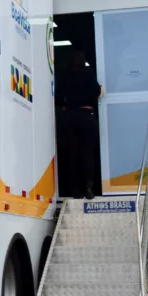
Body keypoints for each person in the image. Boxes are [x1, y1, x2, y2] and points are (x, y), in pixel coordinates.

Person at [57, 49, 104, 199]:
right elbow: (97, 92)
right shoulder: (88, 74)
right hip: (86, 116)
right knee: (87, 153)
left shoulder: (66, 76)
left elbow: (57, 97)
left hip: (69, 117)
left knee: (72, 154)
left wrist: (67, 103)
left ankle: (75, 191)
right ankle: (89, 187)